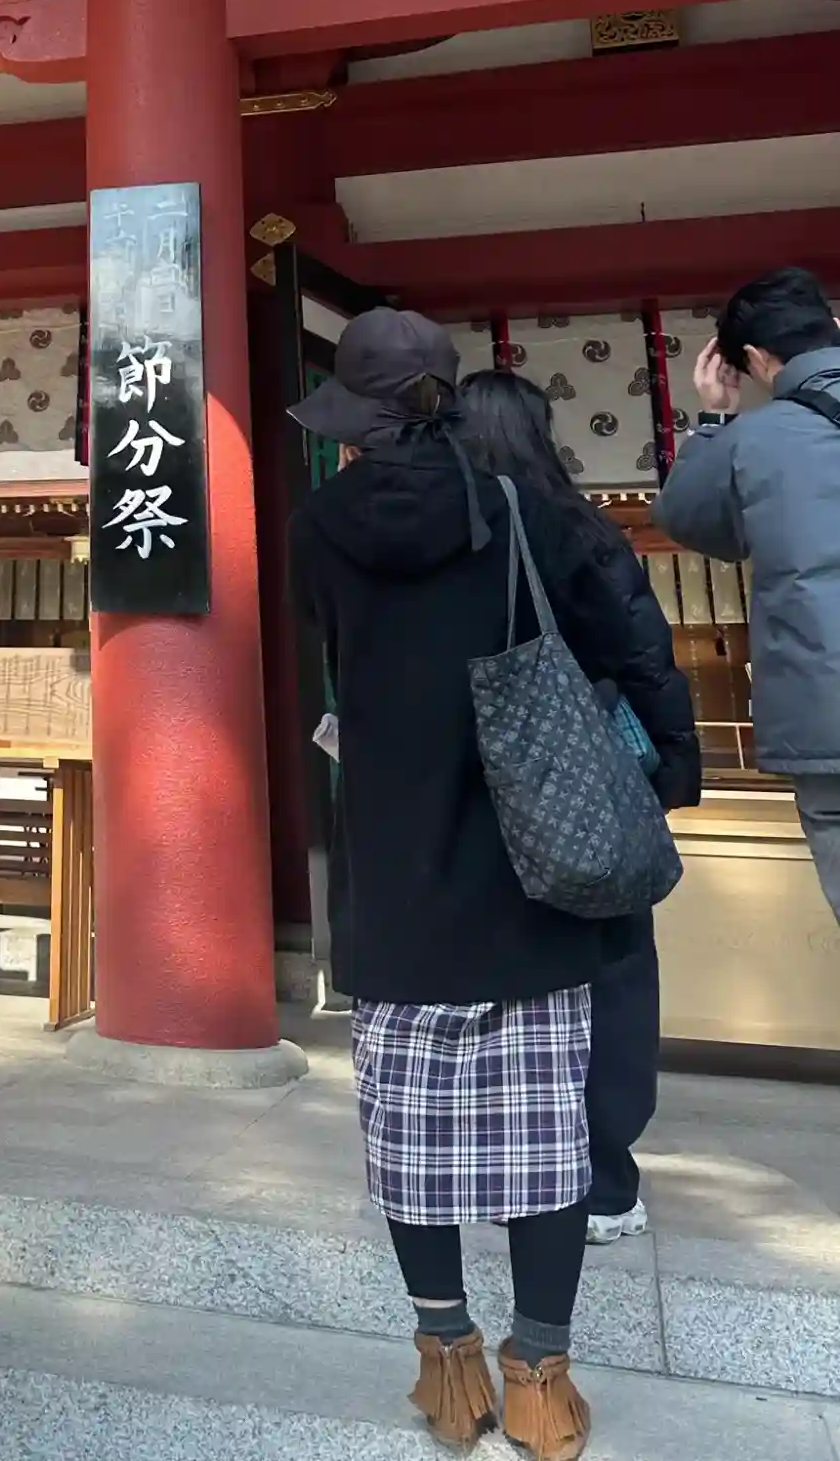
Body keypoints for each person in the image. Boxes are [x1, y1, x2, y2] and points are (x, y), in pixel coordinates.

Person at [289, 310, 700, 1461]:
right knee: (543, 1139)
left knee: (410, 1138)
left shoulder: (316, 525)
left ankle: (446, 1364)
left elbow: (327, 653)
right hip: (528, 863)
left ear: (359, 421)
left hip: (394, 866)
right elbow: (604, 643)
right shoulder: (519, 508)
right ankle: (540, 1383)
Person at [459, 370, 701, 1247]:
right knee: (613, 972)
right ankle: (603, 1178)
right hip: (588, 783)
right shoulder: (577, 527)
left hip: (477, 791)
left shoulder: (450, 535)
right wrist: (673, 763)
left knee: (502, 984)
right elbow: (641, 656)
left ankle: (511, 1169)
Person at [657, 267, 840, 924]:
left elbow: (687, 520)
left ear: (756, 359)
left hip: (827, 714)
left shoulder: (751, 440)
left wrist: (713, 418)